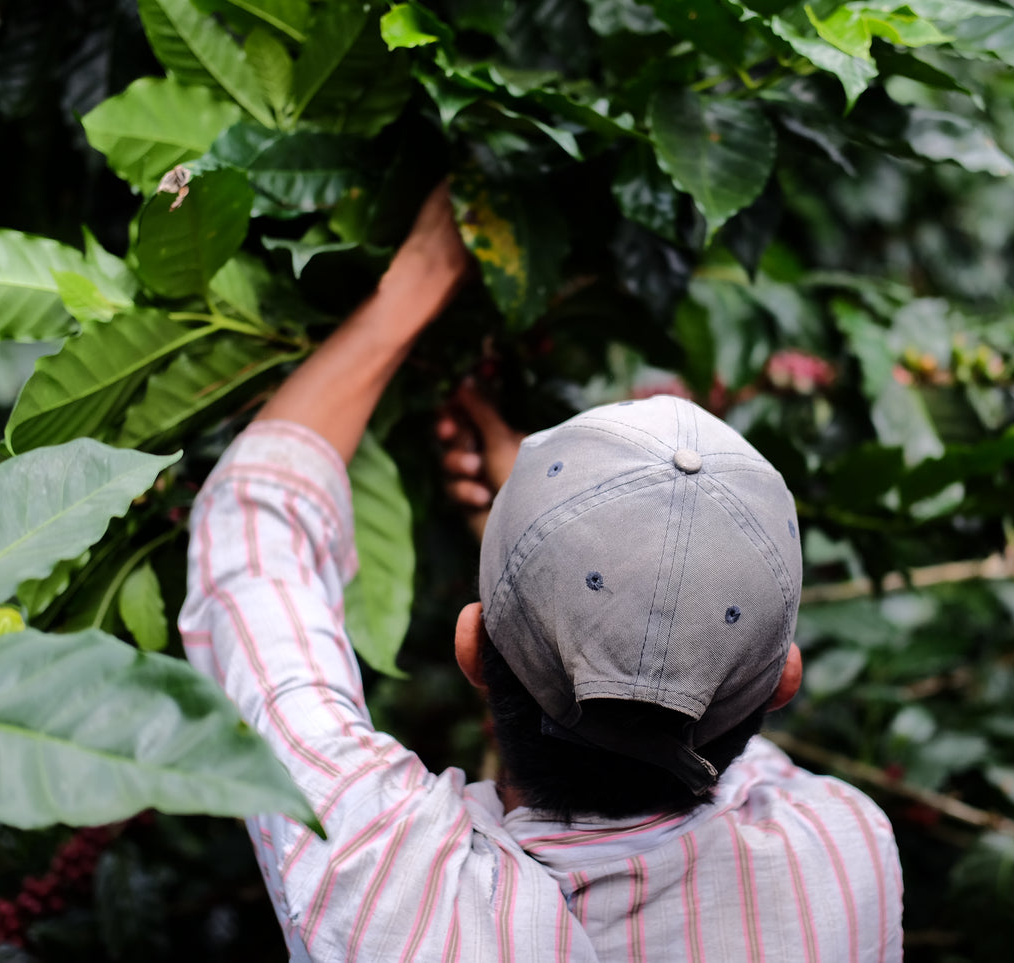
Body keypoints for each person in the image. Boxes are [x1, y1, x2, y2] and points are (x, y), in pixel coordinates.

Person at [178, 182, 904, 961]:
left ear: (470, 645)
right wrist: (554, 555)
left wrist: (415, 281)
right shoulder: (842, 856)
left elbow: (251, 530)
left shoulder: (388, 884)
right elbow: (694, 705)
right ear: (784, 682)